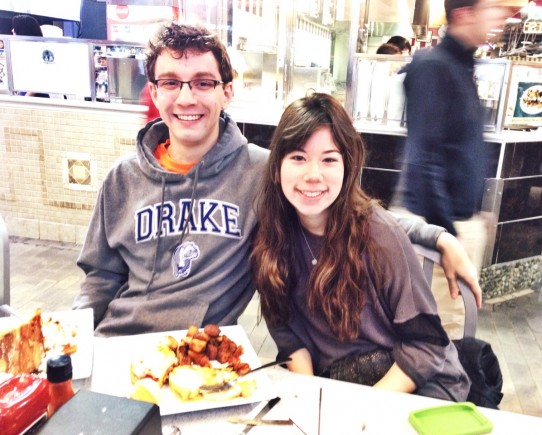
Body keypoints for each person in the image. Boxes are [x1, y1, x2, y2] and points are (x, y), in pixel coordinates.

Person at [73, 22, 481, 337]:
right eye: (171, 83)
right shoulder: (121, 179)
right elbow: (102, 277)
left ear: (226, 92)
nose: (186, 98)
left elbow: (349, 207)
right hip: (117, 344)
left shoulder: (262, 173)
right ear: (154, 91)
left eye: (202, 83)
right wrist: (74, 340)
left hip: (199, 356)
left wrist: (439, 238)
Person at [250, 93, 470, 401]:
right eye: (298, 158)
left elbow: (426, 344)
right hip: (340, 385)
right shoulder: (271, 240)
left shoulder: (380, 235)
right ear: (277, 169)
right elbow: (289, 339)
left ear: (348, 168)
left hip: (417, 384)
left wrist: (361, 410)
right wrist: (311, 402)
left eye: (329, 159)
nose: (312, 175)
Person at [393, 0, 508, 338]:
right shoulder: (434, 66)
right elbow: (424, 158)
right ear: (463, 14)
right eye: (491, 8)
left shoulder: (460, 65)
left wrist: (476, 212)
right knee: (440, 337)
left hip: (454, 223)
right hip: (436, 227)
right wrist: (449, 238)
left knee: (450, 331)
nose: (499, 16)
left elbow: (458, 149)